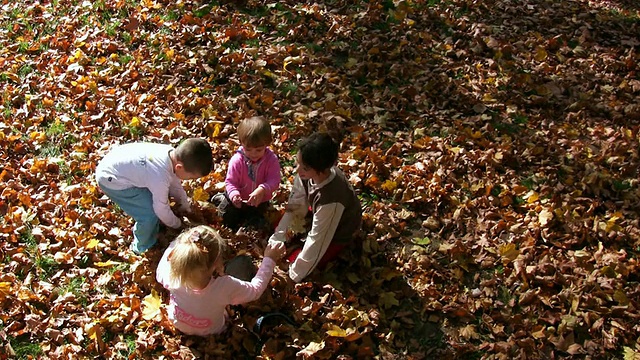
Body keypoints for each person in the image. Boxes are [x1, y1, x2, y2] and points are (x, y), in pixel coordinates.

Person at [156, 225, 286, 336]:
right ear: (216, 264)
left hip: (178, 322)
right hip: (212, 331)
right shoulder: (224, 286)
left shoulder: (169, 274)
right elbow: (255, 291)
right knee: (242, 263)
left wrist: (176, 244)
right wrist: (270, 259)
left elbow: (169, 252)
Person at [268, 132, 362, 283]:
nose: (298, 170)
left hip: (338, 231)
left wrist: (293, 275)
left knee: (299, 258)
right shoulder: (307, 173)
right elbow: (295, 205)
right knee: (281, 230)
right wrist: (278, 236)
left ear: (322, 169)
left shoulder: (331, 199)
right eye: (297, 163)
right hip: (318, 213)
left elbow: (318, 240)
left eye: (304, 168)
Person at [95, 138, 213, 254]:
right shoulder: (159, 176)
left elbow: (175, 186)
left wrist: (185, 208)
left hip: (117, 164)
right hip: (111, 179)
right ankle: (141, 247)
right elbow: (160, 209)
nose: (190, 180)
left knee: (154, 198)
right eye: (191, 177)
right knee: (148, 213)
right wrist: (178, 224)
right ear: (179, 167)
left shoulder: (171, 155)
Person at [212, 116, 281, 230]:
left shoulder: (270, 160)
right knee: (226, 217)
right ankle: (221, 199)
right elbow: (230, 182)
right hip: (237, 200)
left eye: (258, 150)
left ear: (267, 144)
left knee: (257, 224)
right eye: (248, 149)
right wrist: (234, 194)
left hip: (259, 201)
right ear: (241, 143)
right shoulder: (237, 161)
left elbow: (274, 180)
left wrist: (263, 189)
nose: (253, 154)